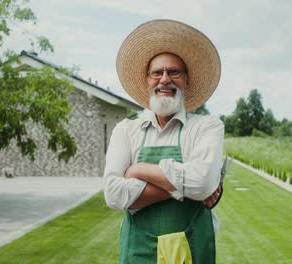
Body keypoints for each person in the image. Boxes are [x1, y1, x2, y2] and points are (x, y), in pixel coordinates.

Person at [104, 19, 223, 264]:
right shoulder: (126, 130)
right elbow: (113, 194)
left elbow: (202, 182)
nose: (165, 79)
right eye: (157, 72)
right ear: (147, 80)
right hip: (139, 251)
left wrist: (139, 170)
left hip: (193, 247)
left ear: (187, 80)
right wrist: (187, 189)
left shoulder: (206, 126)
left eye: (174, 72)